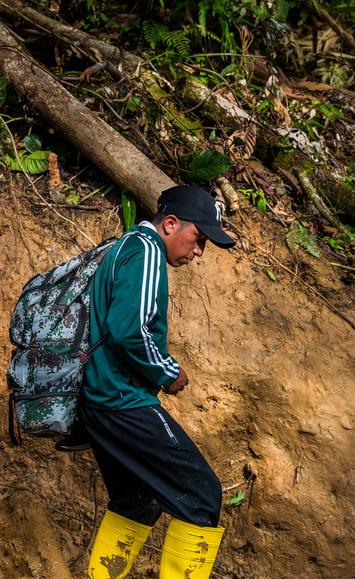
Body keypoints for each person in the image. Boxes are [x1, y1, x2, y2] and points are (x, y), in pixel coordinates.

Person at [82, 185, 236, 579]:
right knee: (203, 497)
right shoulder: (148, 250)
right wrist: (168, 372)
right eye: (198, 239)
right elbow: (129, 330)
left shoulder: (125, 246)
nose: (198, 251)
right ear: (170, 224)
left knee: (137, 501)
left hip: (99, 400)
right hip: (122, 400)